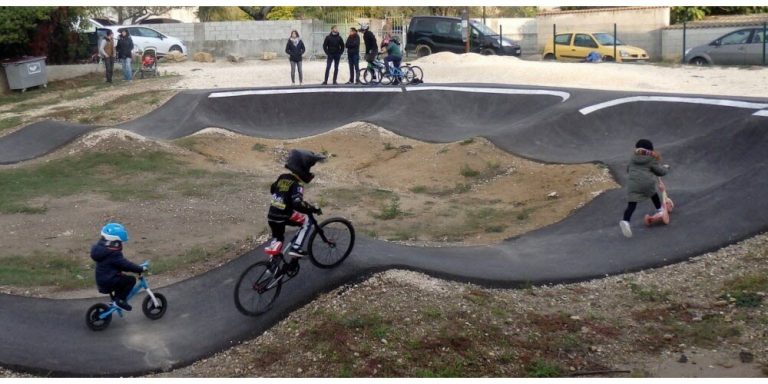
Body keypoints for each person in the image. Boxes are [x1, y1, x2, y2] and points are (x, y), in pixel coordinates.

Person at [265, 149, 326, 276]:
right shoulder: (297, 184)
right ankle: (296, 248)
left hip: (272, 215)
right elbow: (297, 203)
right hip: (284, 214)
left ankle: (272, 266)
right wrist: (311, 209)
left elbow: (272, 189)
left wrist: (282, 195)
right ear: (303, 169)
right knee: (307, 221)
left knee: (278, 237)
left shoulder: (282, 177)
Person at [619, 139, 670, 238]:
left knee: (632, 204)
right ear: (650, 149)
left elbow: (628, 169)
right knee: (653, 194)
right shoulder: (651, 158)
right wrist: (666, 168)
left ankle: (626, 221)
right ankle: (660, 210)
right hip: (646, 183)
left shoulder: (633, 157)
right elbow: (660, 172)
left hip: (633, 184)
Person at [90, 223, 146, 311]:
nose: (120, 244)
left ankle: (116, 299)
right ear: (114, 242)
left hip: (102, 279)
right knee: (130, 280)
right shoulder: (113, 254)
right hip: (109, 281)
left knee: (121, 279)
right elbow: (125, 265)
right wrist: (139, 269)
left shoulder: (101, 249)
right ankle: (120, 301)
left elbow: (121, 264)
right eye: (119, 242)